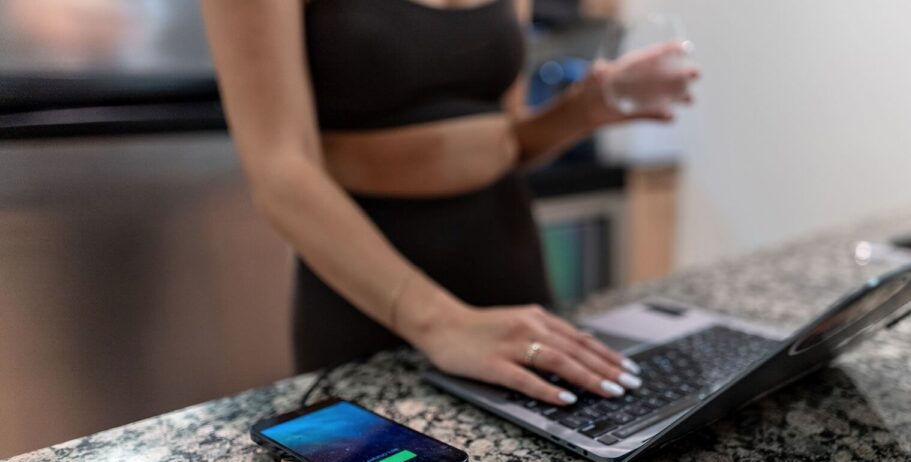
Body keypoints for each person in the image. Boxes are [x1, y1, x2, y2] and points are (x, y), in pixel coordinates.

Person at [200, 0, 698, 407]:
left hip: (511, 274)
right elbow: (281, 171)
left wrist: (589, 106)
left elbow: (505, 139)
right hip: (371, 293)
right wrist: (441, 323)